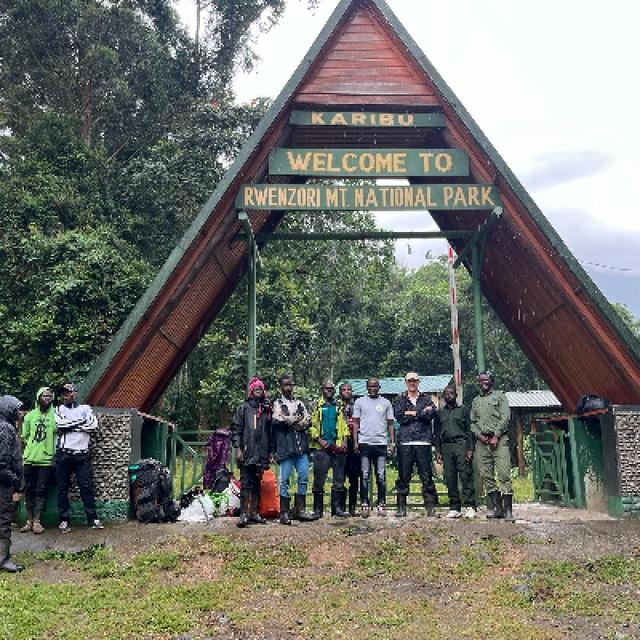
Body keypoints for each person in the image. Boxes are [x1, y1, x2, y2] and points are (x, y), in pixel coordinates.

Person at [55, 383, 103, 533]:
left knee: (86, 487)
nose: (66, 395)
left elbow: (94, 426)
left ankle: (93, 518)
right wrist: (82, 423)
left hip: (82, 454)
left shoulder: (85, 409)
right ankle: (64, 520)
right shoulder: (58, 409)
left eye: (69, 392)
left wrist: (72, 426)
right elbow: (60, 425)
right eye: (64, 393)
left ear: (75, 393)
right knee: (62, 488)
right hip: (64, 453)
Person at [392, 372, 439, 517]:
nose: (412, 383)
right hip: (405, 441)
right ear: (406, 382)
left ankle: (430, 507)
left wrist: (412, 413)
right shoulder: (399, 398)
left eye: (415, 381)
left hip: (423, 441)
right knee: (403, 475)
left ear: (418, 382)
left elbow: (431, 414)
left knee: (426, 475)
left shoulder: (426, 398)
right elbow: (400, 417)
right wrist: (420, 412)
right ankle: (401, 507)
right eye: (409, 381)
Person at [271, 374, 315, 524]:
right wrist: (293, 420)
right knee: (284, 480)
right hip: (285, 448)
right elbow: (277, 419)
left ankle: (299, 510)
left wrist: (290, 420)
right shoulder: (277, 403)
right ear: (281, 387)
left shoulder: (299, 403)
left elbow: (307, 420)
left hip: (301, 447)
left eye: (290, 385)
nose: (288, 387)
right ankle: (284, 513)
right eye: (285, 385)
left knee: (303, 477)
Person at [470, 371, 513, 521]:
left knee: (504, 474)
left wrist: (496, 435)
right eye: (481, 380)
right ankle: (497, 508)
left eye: (486, 380)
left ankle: (508, 511)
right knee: (486, 475)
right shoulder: (476, 401)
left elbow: (505, 416)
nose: (484, 383)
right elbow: (473, 423)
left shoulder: (500, 396)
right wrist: (479, 435)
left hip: (499, 440)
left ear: (492, 381)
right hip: (482, 442)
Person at [231, 376, 271, 528]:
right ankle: (243, 514)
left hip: (261, 454)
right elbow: (236, 430)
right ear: (251, 391)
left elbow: (270, 431)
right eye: (255, 389)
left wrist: (270, 452)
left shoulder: (267, 410)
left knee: (256, 484)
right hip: (247, 453)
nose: (258, 391)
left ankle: (254, 513)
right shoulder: (243, 408)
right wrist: (238, 449)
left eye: (260, 389)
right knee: (245, 483)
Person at [353, 378, 395, 516]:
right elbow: (356, 423)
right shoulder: (359, 402)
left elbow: (390, 424)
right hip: (364, 443)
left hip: (381, 444)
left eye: (375, 386)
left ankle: (381, 504)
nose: (373, 388)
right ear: (366, 387)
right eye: (370, 386)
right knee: (364, 475)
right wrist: (355, 442)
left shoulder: (386, 403)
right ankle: (364, 504)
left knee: (381, 475)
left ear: (379, 387)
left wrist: (392, 442)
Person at [309, 380, 349, 518]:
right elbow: (311, 426)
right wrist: (319, 440)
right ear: (322, 389)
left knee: (339, 479)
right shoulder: (315, 406)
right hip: (321, 448)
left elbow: (344, 425)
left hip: (337, 446)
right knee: (319, 479)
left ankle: (336, 509)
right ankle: (318, 510)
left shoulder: (339, 405)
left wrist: (344, 441)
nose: (329, 391)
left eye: (331, 389)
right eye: (327, 388)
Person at [435, 386, 476, 519]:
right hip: (446, 447)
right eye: (446, 394)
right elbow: (436, 433)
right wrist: (438, 450)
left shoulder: (463, 410)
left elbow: (469, 430)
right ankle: (454, 507)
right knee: (450, 478)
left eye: (451, 394)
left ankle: (470, 506)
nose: (449, 396)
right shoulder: (440, 413)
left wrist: (470, 449)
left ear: (456, 395)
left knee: (465, 475)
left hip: (461, 445)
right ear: (443, 397)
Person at [20, 387, 56, 534]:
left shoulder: (56, 415)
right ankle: (28, 521)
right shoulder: (30, 416)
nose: (47, 398)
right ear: (38, 397)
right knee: (29, 489)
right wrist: (30, 450)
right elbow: (25, 436)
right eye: (44, 396)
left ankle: (37, 521)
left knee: (41, 490)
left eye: (50, 396)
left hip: (46, 460)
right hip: (30, 459)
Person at [0, 395, 25, 572]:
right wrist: (15, 479)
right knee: (4, 519)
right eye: (16, 409)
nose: (19, 413)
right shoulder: (5, 428)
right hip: (3, 481)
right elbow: (2, 461)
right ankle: (4, 559)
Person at [340, 382, 359, 516]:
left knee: (354, 478)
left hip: (354, 445)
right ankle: (340, 507)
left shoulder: (357, 405)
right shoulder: (336, 406)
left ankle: (352, 507)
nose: (347, 391)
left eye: (349, 389)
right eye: (344, 390)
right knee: (340, 478)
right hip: (340, 445)